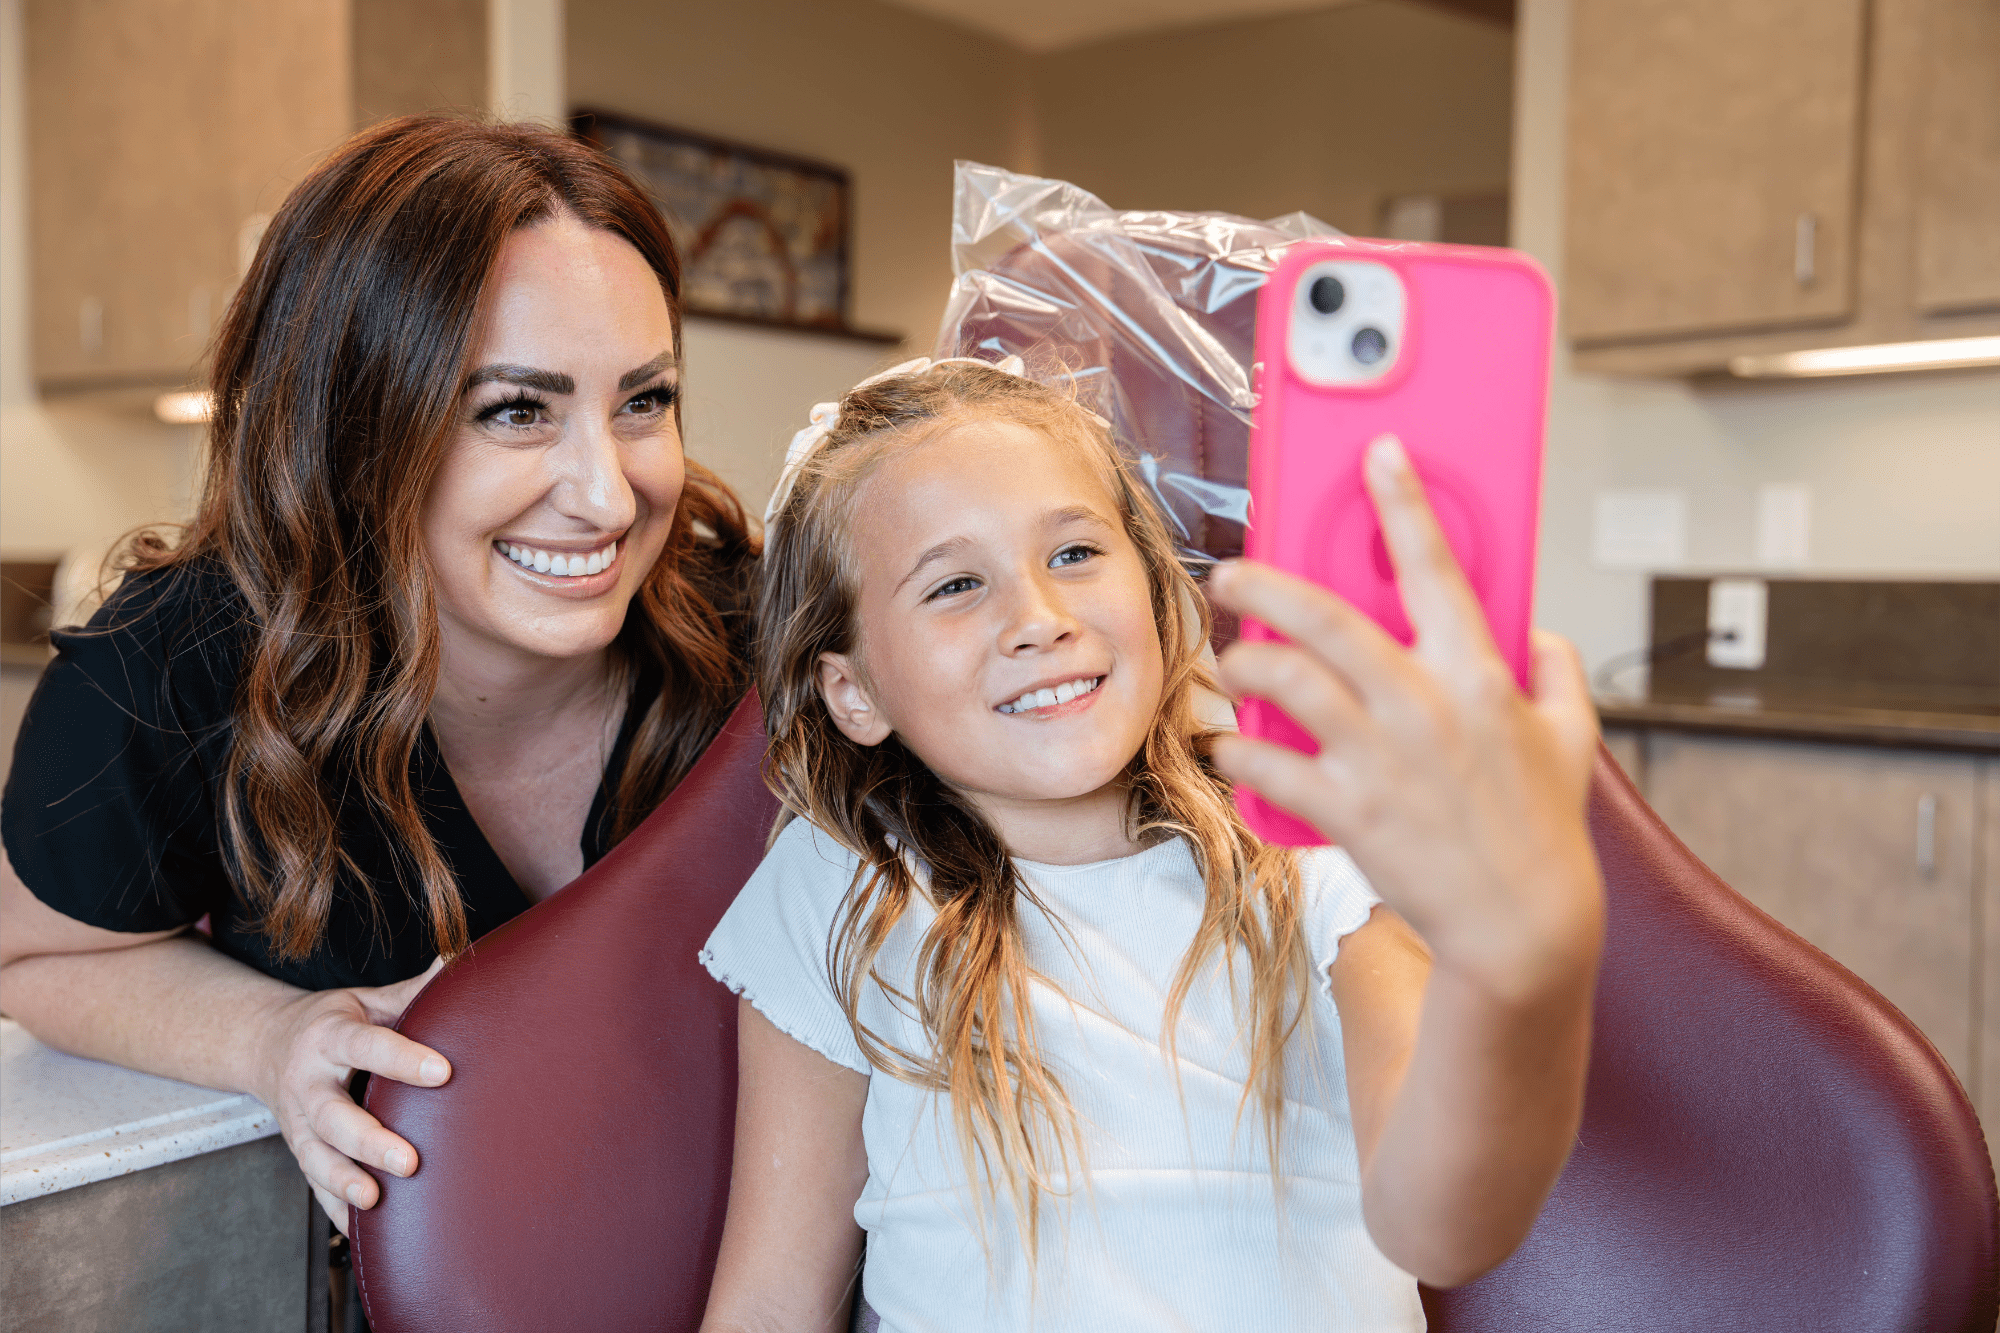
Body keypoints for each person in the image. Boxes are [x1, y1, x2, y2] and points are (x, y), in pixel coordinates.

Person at [696, 360, 1603, 1331]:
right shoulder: (840, 889)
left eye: (1076, 553)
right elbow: (768, 1305)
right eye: (956, 584)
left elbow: (1444, 1226)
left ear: (1160, 594)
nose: (1040, 620)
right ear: (852, 691)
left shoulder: (1303, 849)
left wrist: (1518, 969)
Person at [0, 116, 758, 1234]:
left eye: (642, 400)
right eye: (514, 410)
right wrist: (270, 1037)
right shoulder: (176, 663)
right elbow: (37, 955)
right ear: (349, 424)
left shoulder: (762, 641)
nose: (607, 494)